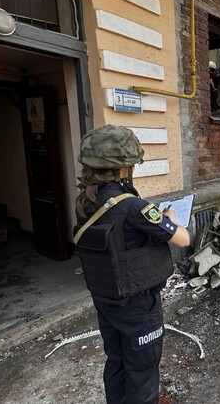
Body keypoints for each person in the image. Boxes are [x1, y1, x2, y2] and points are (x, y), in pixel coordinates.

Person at [74, 124, 190, 404]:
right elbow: (183, 239)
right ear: (124, 168)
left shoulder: (85, 202)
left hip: (106, 299)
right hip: (137, 305)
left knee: (116, 360)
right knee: (142, 369)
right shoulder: (134, 207)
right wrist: (171, 219)